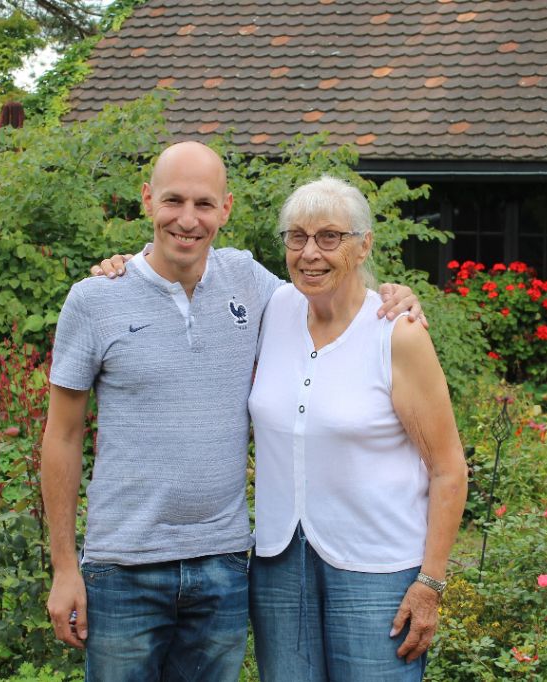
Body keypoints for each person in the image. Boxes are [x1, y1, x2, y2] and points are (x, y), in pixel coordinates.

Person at [42, 141, 422, 682]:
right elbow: (61, 437)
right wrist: (63, 568)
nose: (187, 220)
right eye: (173, 201)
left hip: (222, 567)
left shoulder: (248, 281)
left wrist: (397, 297)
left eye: (204, 204)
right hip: (122, 569)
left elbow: (327, 290)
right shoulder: (95, 299)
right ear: (148, 201)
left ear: (227, 209)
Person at [247, 176, 467, 681]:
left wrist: (430, 582)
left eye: (330, 237)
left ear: (364, 244)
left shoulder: (397, 333)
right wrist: (126, 267)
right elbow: (193, 267)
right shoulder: (273, 308)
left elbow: (449, 469)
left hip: (377, 571)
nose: (310, 253)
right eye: (296, 237)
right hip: (280, 563)